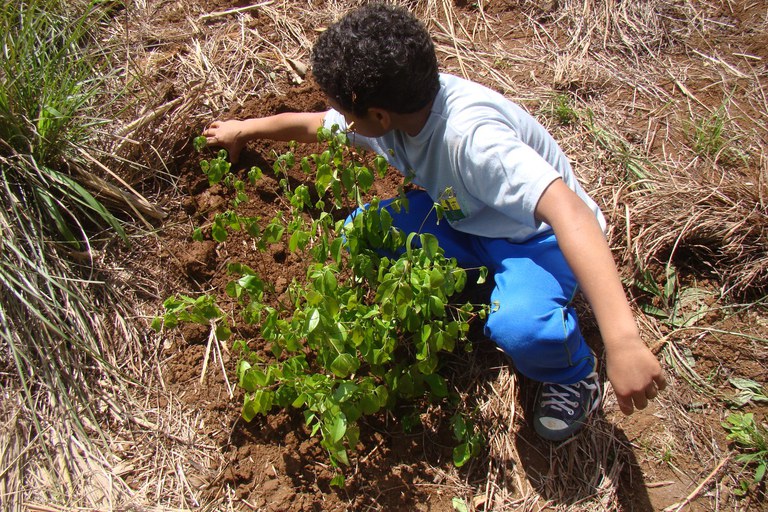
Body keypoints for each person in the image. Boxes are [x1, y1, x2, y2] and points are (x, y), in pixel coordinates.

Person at [201, 3, 666, 441]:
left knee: (520, 330)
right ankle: (478, 286)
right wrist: (244, 128)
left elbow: (570, 212)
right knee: (360, 231)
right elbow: (312, 126)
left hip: (534, 241)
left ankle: (572, 373)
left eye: (347, 112)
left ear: (378, 115)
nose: (341, 120)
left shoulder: (473, 141)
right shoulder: (398, 110)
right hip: (463, 217)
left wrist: (623, 341)